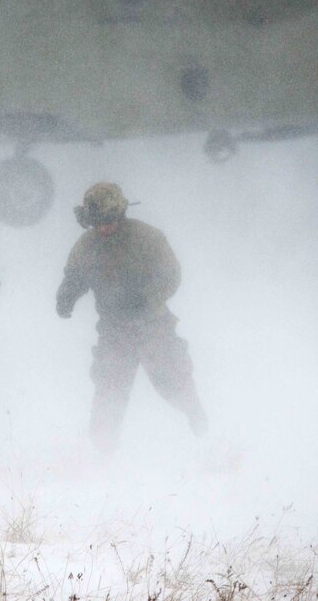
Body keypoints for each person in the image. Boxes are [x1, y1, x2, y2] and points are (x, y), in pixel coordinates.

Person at [56, 182, 207, 454]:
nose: (104, 228)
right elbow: (75, 276)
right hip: (113, 330)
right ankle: (103, 454)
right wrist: (66, 297)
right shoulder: (87, 246)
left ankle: (196, 416)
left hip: (153, 324)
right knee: (109, 390)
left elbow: (171, 275)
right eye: (97, 223)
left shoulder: (148, 238)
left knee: (172, 380)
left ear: (121, 214)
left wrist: (148, 297)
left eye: (109, 221)